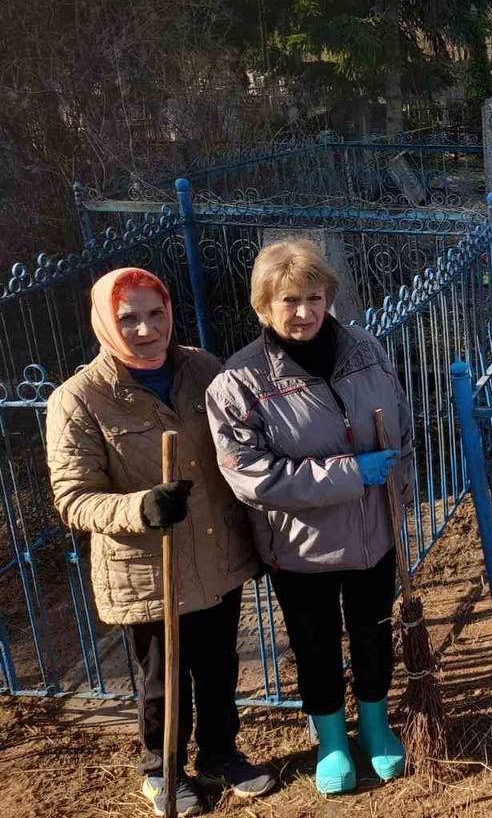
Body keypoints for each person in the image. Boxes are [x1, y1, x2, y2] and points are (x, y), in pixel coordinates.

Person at [45, 268, 274, 817]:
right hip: (149, 567)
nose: (146, 330)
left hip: (216, 550)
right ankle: (162, 768)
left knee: (218, 664)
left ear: (170, 312)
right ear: (104, 322)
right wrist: (139, 508)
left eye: (156, 314)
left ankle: (220, 754)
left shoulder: (202, 369)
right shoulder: (80, 399)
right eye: (129, 318)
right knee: (161, 679)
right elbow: (73, 497)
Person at [206, 239, 411, 796]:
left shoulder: (365, 350)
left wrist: (398, 488)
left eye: (314, 298)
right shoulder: (239, 382)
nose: (304, 312)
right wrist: (350, 473)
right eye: (289, 300)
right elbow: (251, 475)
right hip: (301, 547)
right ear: (263, 306)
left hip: (373, 534)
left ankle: (375, 726)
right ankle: (332, 740)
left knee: (373, 632)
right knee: (315, 645)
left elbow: (402, 424)